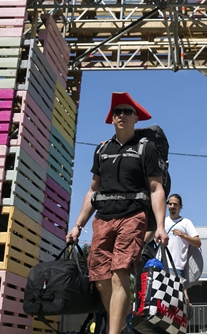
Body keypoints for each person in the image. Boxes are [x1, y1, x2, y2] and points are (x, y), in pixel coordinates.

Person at [66, 92, 169, 334]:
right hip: (103, 219)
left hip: (133, 216)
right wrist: (78, 225)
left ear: (136, 118)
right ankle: (122, 324)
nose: (121, 115)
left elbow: (156, 188)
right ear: (112, 119)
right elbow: (93, 190)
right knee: (100, 278)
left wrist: (160, 226)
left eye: (127, 111)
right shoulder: (102, 149)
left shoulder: (146, 148)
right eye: (117, 112)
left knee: (119, 271)